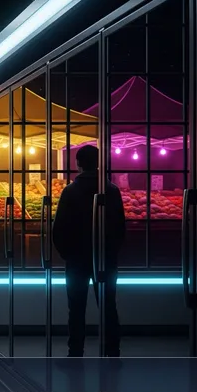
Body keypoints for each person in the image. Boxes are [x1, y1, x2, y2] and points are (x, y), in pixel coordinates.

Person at [53, 145, 125, 357]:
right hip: (105, 258)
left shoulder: (70, 191)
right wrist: (111, 252)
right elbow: (120, 226)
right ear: (98, 163)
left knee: (76, 307)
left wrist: (67, 253)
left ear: (78, 164)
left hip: (76, 258)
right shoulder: (111, 190)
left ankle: (75, 350)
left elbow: (59, 227)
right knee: (108, 305)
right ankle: (112, 350)